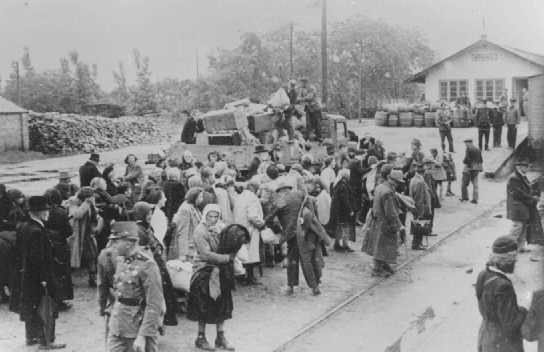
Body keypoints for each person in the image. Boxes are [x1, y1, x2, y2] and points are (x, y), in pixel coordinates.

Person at [188, 205, 249, 351]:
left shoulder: (221, 228)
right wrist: (227, 258)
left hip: (220, 271)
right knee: (203, 305)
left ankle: (220, 336)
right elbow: (205, 254)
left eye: (216, 216)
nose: (213, 219)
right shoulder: (199, 231)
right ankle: (201, 337)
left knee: (223, 303)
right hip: (204, 270)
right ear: (205, 216)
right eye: (210, 216)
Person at [105, 221, 165, 352]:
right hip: (118, 324)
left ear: (128, 243)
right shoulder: (121, 260)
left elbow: (154, 304)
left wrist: (143, 335)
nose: (112, 245)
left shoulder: (148, 265)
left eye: (116, 241)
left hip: (138, 326)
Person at [17, 196, 66, 349]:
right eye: (45, 210)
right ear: (38, 212)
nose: (48, 213)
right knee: (47, 308)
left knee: (31, 306)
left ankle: (31, 337)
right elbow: (39, 259)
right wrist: (44, 279)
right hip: (42, 276)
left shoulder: (24, 226)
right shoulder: (37, 231)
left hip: (27, 276)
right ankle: (47, 341)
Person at [475, 235, 527, 352]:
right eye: (513, 258)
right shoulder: (504, 286)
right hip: (503, 343)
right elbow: (511, 324)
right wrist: (524, 310)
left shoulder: (483, 274)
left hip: (486, 335)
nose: (515, 262)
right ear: (504, 260)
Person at [132, 202, 178, 327]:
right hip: (151, 266)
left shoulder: (145, 227)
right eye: (148, 214)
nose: (150, 216)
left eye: (151, 213)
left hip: (157, 264)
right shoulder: (139, 230)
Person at [367, 169, 405, 277]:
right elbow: (391, 212)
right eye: (396, 182)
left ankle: (383, 265)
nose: (397, 184)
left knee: (380, 244)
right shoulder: (388, 192)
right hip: (385, 222)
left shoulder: (380, 187)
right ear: (390, 179)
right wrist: (397, 225)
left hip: (378, 220)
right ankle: (377, 269)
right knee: (382, 246)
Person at [43, 189, 73, 311]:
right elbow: (68, 231)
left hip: (46, 245)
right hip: (60, 245)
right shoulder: (60, 212)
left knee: (51, 272)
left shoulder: (43, 212)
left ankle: (50, 299)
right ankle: (60, 300)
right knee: (62, 273)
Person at [233, 179, 265, 285]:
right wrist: (261, 224)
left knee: (243, 253)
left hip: (239, 227)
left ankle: (243, 276)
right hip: (250, 229)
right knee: (250, 255)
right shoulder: (252, 198)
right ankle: (249, 277)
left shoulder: (240, 196)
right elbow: (252, 216)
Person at [66, 187, 99, 287]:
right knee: (72, 257)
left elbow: (93, 216)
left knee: (92, 256)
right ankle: (68, 280)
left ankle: (92, 279)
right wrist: (87, 203)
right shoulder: (73, 202)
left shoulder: (89, 204)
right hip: (76, 234)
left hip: (87, 234)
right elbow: (77, 215)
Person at [507, 161, 539, 253]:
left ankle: (520, 247)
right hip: (517, 207)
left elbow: (526, 189)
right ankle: (509, 247)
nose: (528, 169)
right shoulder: (514, 178)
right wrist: (532, 198)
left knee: (524, 226)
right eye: (526, 166)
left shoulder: (521, 176)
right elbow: (518, 194)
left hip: (523, 206)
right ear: (519, 167)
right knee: (517, 227)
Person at [169, 187, 204, 261]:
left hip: (194, 247)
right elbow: (182, 232)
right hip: (189, 250)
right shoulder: (186, 209)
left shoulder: (194, 207)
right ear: (194, 197)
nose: (202, 199)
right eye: (200, 197)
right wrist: (183, 254)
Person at [329, 169, 355, 252]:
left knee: (339, 227)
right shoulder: (344, 185)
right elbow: (345, 199)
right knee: (345, 227)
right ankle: (345, 245)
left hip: (338, 210)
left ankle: (337, 244)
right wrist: (350, 210)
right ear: (346, 176)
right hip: (343, 211)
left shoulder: (337, 184)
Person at [409, 163, 433, 250]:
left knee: (418, 225)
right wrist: (421, 211)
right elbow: (419, 198)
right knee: (419, 225)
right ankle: (416, 244)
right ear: (423, 172)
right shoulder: (420, 182)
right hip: (420, 207)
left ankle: (418, 243)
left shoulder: (414, 179)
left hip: (415, 206)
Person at [461, 138, 483, 204]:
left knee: (464, 184)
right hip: (477, 168)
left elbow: (467, 159)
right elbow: (481, 160)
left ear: (469, 143)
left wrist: (464, 162)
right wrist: (480, 168)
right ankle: (475, 199)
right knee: (475, 184)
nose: (465, 145)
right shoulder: (478, 149)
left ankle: (465, 198)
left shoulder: (468, 149)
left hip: (469, 168)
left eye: (466, 143)